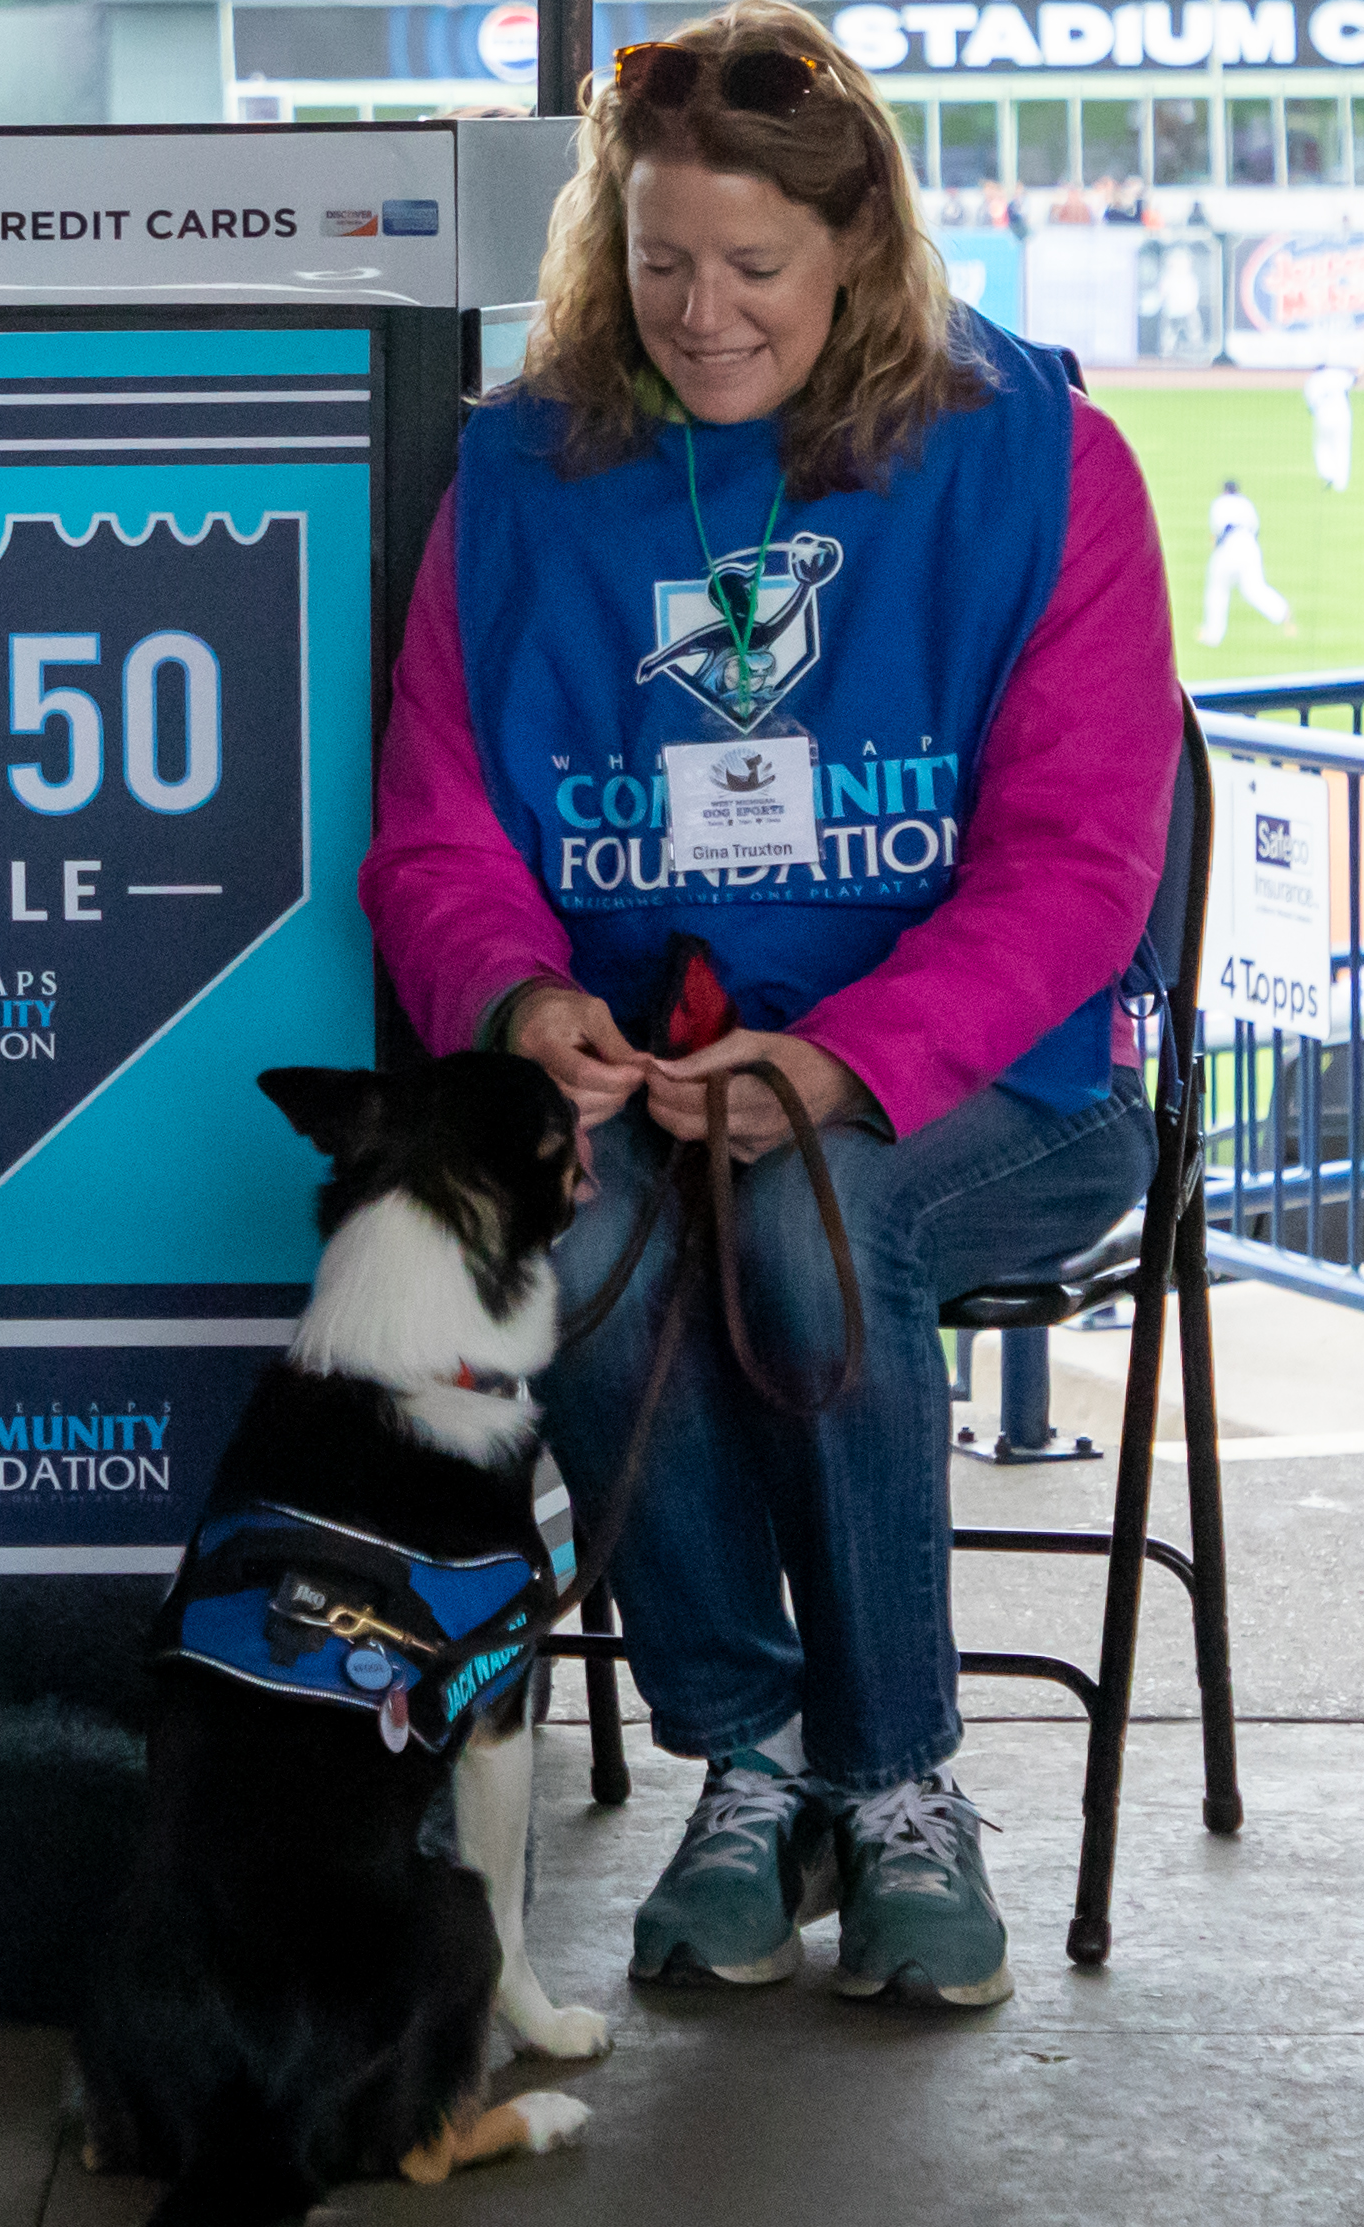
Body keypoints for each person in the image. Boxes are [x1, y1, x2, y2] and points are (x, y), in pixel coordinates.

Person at [360, 0, 1176, 2011]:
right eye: (656, 266)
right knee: (586, 1234)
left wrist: (840, 1062)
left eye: (752, 272)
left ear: (861, 258)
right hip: (650, 1081)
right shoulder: (526, 477)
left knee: (817, 1231)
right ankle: (761, 1764)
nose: (699, 317)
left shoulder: (1045, 461)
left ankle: (900, 1785)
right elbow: (432, 841)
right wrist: (522, 992)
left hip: (1001, 1090)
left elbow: (1083, 873)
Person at [1197, 477, 1291, 644]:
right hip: (1250, 547)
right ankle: (1282, 613)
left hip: (1229, 547)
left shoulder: (1220, 502)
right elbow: (1255, 530)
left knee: (1217, 590)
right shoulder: (1246, 503)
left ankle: (1213, 635)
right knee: (1254, 588)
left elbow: (1216, 533)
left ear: (1224, 490)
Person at [1304, 357, 1357, 493]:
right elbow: (1354, 381)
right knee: (1342, 447)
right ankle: (1341, 483)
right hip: (1342, 415)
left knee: (1322, 445)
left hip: (1323, 416)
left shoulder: (1312, 380)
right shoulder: (1337, 374)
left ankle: (1327, 473)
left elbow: (1311, 406)